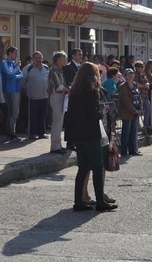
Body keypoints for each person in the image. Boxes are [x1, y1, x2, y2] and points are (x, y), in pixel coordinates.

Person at [64, 62, 118, 212]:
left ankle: (78, 201)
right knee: (97, 167)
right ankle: (100, 201)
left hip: (78, 135)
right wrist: (103, 111)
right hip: (91, 133)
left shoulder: (74, 91)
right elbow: (93, 114)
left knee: (82, 169)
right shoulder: (91, 91)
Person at [22, 51, 49, 140]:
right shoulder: (28, 69)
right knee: (33, 116)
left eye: (40, 58)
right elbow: (22, 81)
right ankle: (32, 133)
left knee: (43, 115)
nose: (38, 60)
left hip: (45, 96)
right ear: (33, 59)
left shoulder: (46, 68)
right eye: (36, 58)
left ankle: (42, 132)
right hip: (33, 97)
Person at [0, 46, 24, 143]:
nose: (16, 55)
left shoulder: (13, 63)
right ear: (9, 53)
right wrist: (16, 70)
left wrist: (15, 75)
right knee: (12, 112)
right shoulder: (4, 63)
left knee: (14, 113)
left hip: (16, 89)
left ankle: (11, 133)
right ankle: (10, 133)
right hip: (9, 90)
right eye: (15, 53)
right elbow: (9, 75)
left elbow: (21, 75)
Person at [47, 51, 69, 155]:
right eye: (64, 58)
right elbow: (58, 86)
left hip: (61, 96)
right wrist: (69, 89)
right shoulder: (54, 70)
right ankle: (55, 146)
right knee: (57, 121)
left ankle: (58, 144)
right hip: (56, 96)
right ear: (58, 60)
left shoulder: (61, 70)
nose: (65, 61)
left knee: (60, 121)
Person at [118, 68, 142, 157]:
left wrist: (140, 108)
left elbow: (138, 97)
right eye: (129, 74)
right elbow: (125, 101)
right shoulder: (122, 86)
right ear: (125, 76)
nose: (131, 75)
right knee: (126, 132)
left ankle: (133, 150)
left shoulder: (135, 84)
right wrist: (134, 110)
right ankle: (124, 152)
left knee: (133, 132)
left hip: (136, 111)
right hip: (127, 112)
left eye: (132, 74)